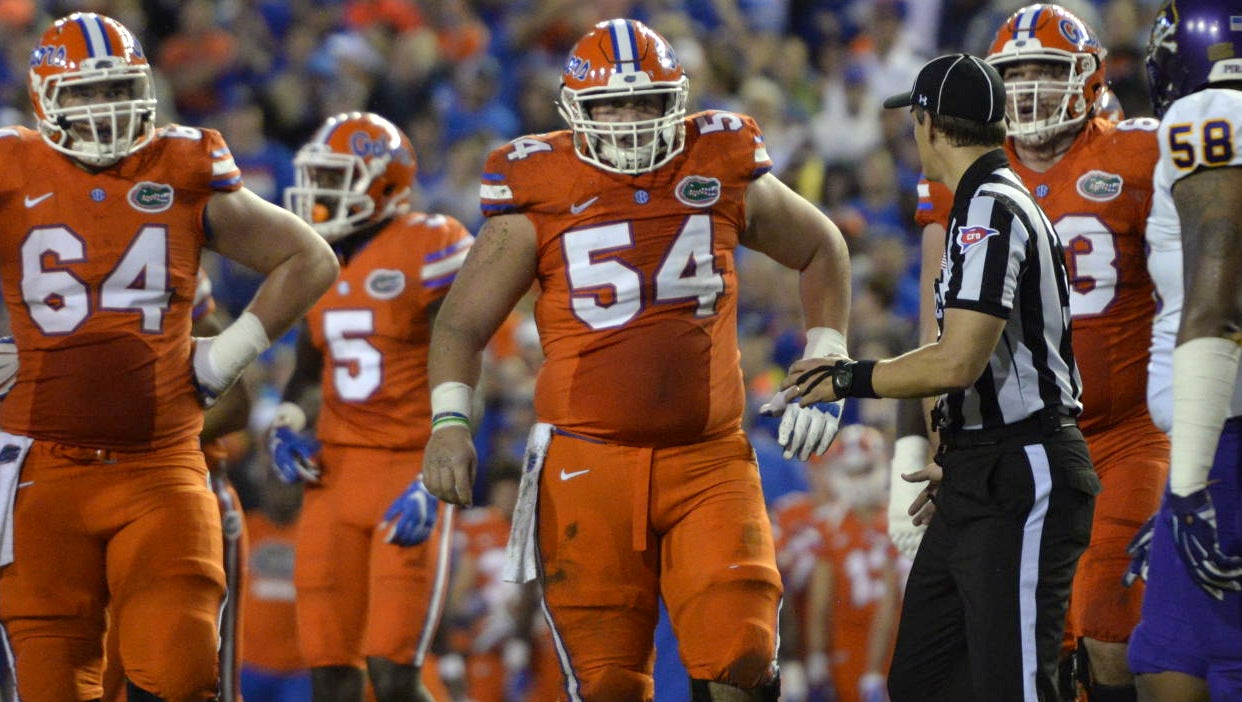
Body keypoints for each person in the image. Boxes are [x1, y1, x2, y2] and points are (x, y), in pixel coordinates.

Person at [420, 18, 853, 701]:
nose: (627, 121)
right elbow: (461, 323)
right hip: (588, 463)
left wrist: (827, 350)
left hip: (708, 456)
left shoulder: (718, 158)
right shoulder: (537, 181)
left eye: (644, 102)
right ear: (574, 110)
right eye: (609, 106)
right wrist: (448, 421)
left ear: (673, 100)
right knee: (609, 683)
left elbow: (822, 247)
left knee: (743, 657)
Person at [0, 11, 338, 700]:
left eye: (119, 88)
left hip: (161, 467)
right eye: (86, 93)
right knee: (52, 683)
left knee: (181, 672)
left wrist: (227, 354)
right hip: (46, 471)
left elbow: (308, 256)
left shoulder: (179, 166)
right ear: (44, 97)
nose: (106, 109)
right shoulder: (13, 167)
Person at [785, 53, 1100, 701]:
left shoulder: (992, 209)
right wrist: (958, 450)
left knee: (1012, 686)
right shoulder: (978, 207)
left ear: (928, 123)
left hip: (1024, 467)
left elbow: (958, 359)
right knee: (924, 680)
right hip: (980, 470)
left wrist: (848, 379)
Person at [900, 7, 1167, 699]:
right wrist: (934, 441)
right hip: (1012, 443)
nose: (1029, 89)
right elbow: (938, 320)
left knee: (1108, 625)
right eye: (1014, 72)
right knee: (1039, 643)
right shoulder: (970, 171)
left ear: (1087, 76)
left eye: (1046, 70)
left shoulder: (1139, 151)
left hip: (1127, 432)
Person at [270, 110, 471, 702]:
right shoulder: (314, 258)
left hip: (406, 468)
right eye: (319, 178)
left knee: (393, 673)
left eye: (336, 179)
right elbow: (309, 374)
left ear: (383, 185)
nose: (320, 194)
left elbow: (462, 365)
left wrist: (441, 470)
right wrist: (286, 422)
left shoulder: (430, 242)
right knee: (330, 672)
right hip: (332, 476)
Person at [1126, 2, 1242, 699]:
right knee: (1165, 660)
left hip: (1224, 446)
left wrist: (1191, 485)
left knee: (1192, 673)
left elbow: (1218, 293)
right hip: (1212, 445)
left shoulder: (1209, 114)